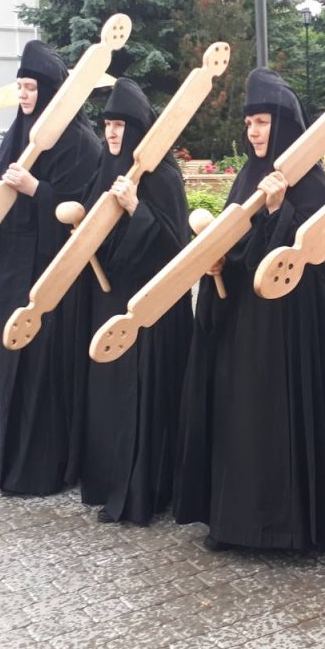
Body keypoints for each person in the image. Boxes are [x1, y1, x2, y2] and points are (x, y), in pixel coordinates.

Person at [174, 68, 325, 553]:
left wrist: (278, 212)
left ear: (285, 126)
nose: (253, 132)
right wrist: (216, 261)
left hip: (288, 334)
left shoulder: (314, 185)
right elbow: (235, 247)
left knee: (279, 422)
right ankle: (236, 524)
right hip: (243, 330)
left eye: (263, 122)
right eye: (249, 122)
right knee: (241, 421)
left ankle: (288, 528)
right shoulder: (248, 179)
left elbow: (319, 263)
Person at [0, 40, 103, 496]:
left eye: (31, 88)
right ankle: (17, 459)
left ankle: (50, 464)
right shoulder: (17, 135)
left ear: (51, 92)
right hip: (14, 266)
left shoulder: (79, 142)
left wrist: (37, 189)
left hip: (52, 278)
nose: (24, 95)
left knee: (43, 365)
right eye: (21, 87)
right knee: (14, 360)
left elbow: (83, 212)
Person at [79, 79, 192, 524]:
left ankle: (147, 488)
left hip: (150, 310)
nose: (111, 133)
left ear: (140, 130)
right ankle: (110, 481)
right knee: (111, 394)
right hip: (109, 298)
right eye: (107, 124)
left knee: (142, 394)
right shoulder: (103, 170)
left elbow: (176, 248)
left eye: (121, 125)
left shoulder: (162, 176)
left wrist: (135, 209)